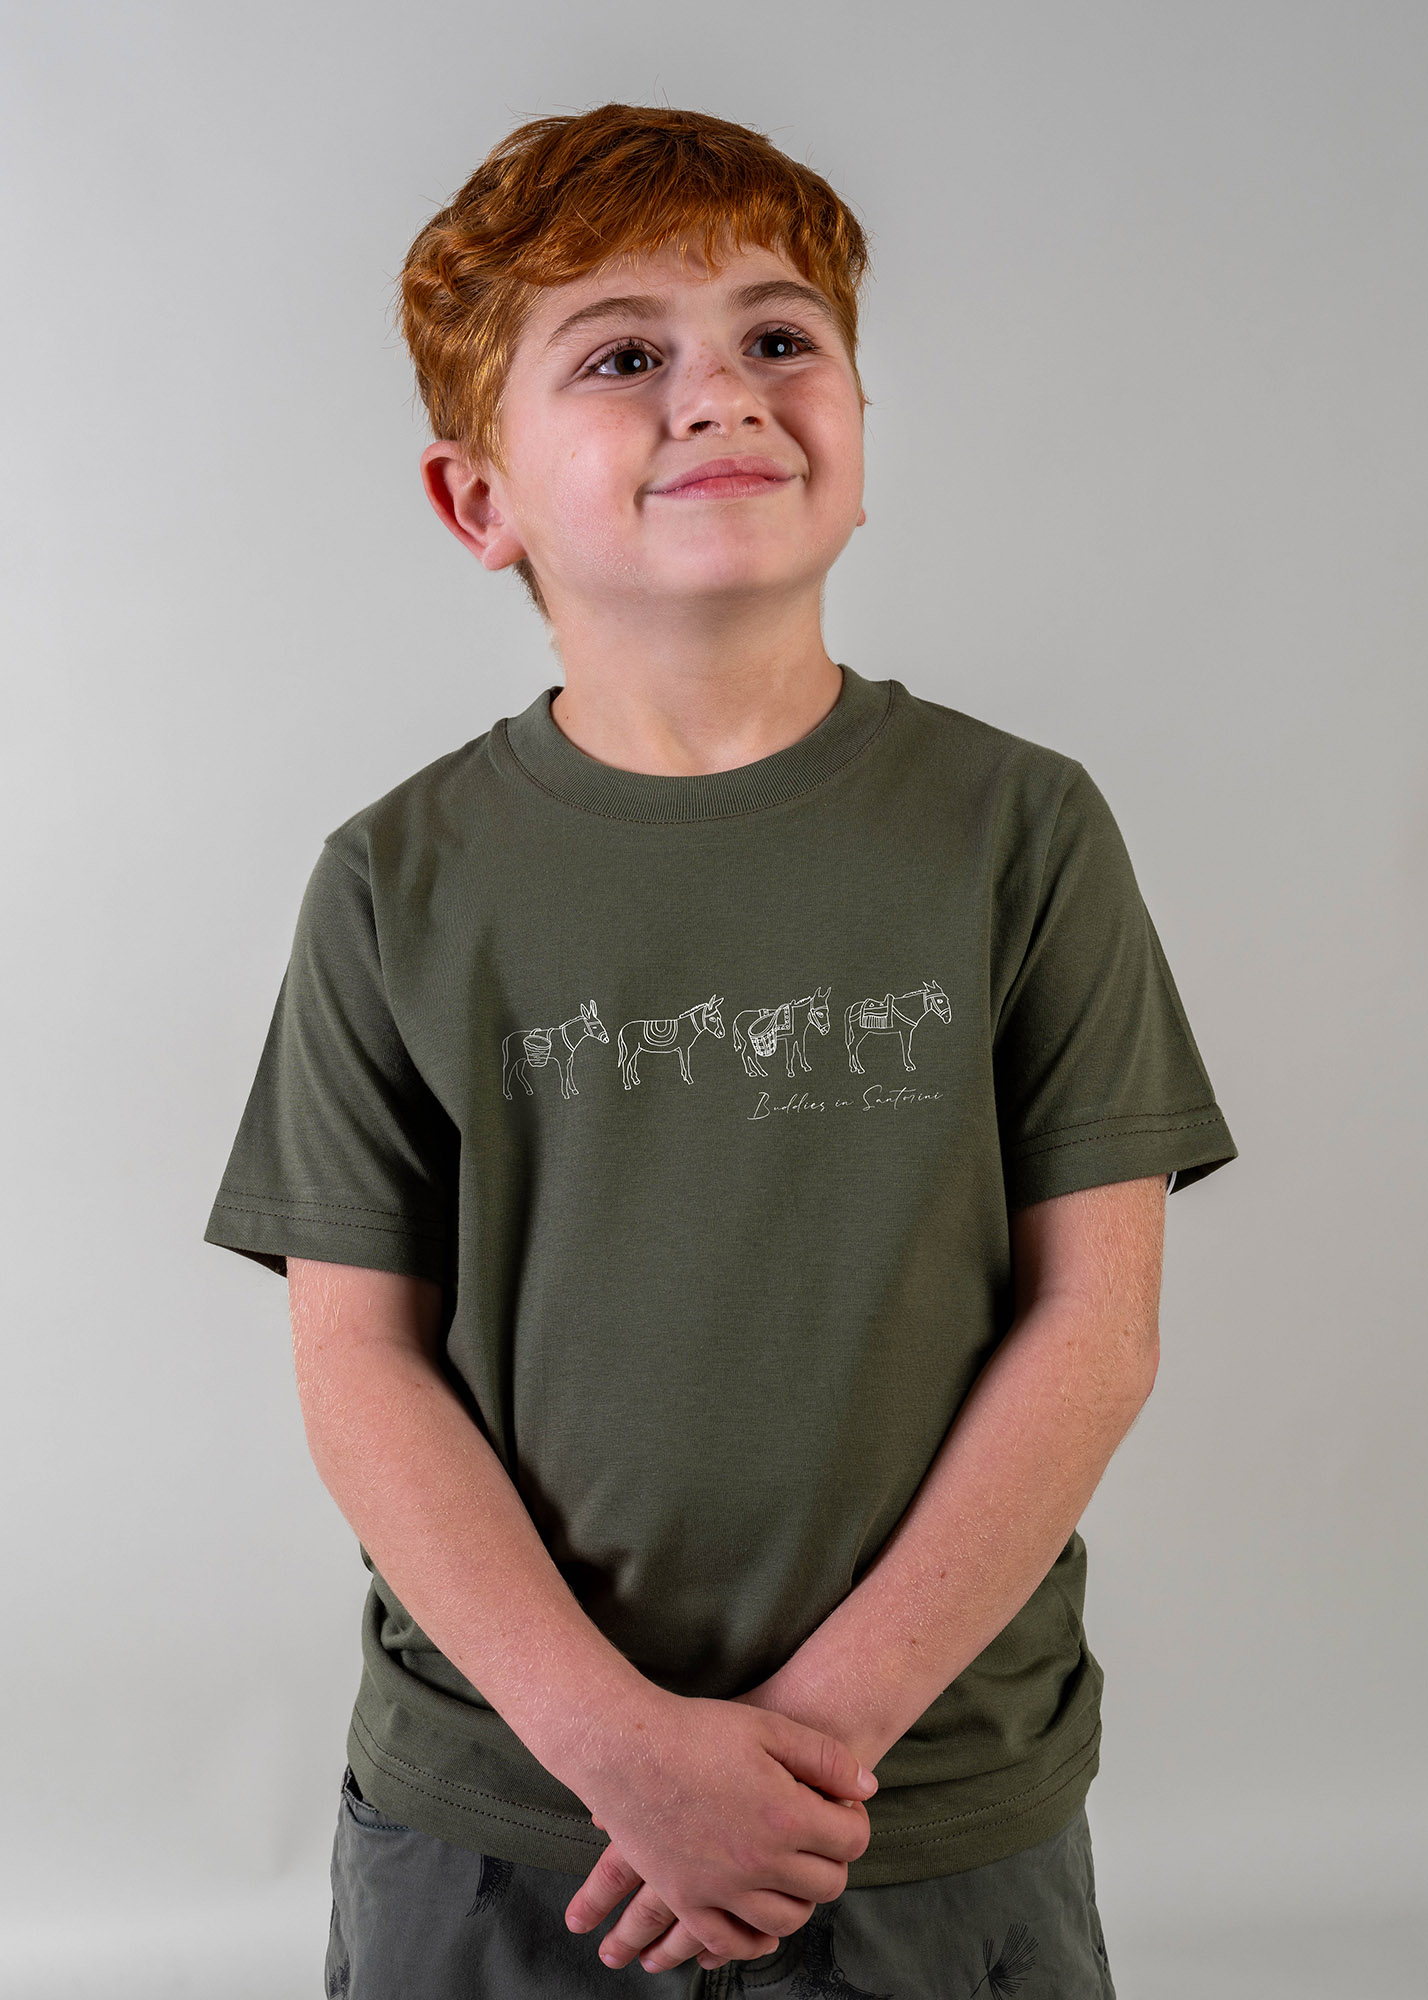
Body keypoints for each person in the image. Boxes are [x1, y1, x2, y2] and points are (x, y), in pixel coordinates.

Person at [203, 103, 1236, 1999]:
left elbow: (1095, 1331)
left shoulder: (1022, 832)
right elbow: (360, 1366)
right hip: (506, 1816)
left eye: (780, 336)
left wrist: (803, 1755)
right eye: (623, 356)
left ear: (858, 429)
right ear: (478, 500)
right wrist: (624, 1753)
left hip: (921, 1805)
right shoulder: (393, 882)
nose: (725, 392)